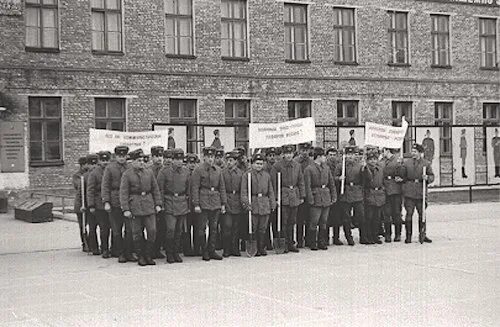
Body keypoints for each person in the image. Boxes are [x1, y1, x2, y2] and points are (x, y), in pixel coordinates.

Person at [120, 149, 163, 266]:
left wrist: (158, 204)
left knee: (152, 231)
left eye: (142, 160)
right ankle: (141, 256)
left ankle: (148, 254)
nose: (141, 162)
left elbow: (155, 189)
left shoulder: (148, 173)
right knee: (137, 233)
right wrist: (126, 209)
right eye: (138, 160)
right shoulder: (127, 174)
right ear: (132, 161)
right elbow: (124, 193)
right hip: (135, 206)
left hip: (149, 205)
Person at [191, 146, 227, 261]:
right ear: (204, 157)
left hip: (215, 201)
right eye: (208, 157)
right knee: (201, 229)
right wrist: (196, 204)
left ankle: (212, 250)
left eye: (212, 157)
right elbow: (195, 188)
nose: (211, 159)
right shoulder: (198, 170)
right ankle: (204, 250)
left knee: (214, 228)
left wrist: (223, 203)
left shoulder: (218, 170)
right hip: (203, 201)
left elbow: (221, 187)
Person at [102, 146, 136, 263]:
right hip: (114, 200)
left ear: (127, 156)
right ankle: (120, 252)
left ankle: (129, 252)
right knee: (116, 230)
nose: (122, 158)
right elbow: (105, 186)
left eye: (123, 156)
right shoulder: (110, 168)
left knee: (130, 230)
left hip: (128, 202)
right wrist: (106, 201)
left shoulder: (131, 167)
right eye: (119, 156)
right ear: (115, 156)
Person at [157, 148, 190, 264]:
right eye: (176, 159)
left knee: (179, 230)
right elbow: (159, 189)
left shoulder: (186, 172)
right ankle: (169, 253)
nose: (179, 162)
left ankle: (176, 252)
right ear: (172, 159)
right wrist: (160, 204)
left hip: (181, 202)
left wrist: (189, 204)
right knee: (170, 229)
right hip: (169, 202)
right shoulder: (164, 171)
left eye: (181, 159)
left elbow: (188, 189)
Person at [270, 144, 304, 253]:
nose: (288, 155)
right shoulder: (277, 166)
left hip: (294, 195)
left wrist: (302, 195)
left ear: (293, 154)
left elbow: (301, 181)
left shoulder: (297, 165)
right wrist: (275, 198)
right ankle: (283, 244)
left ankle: (290, 243)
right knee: (283, 222)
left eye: (290, 153)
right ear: (283, 154)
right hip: (283, 195)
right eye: (286, 153)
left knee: (292, 221)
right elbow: (273, 183)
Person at [241, 153, 276, 256]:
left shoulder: (266, 175)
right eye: (257, 163)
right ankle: (254, 248)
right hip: (254, 202)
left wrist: (272, 203)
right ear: (252, 164)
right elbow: (244, 191)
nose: (259, 166)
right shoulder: (247, 175)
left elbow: (270, 191)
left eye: (261, 164)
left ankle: (261, 247)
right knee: (254, 227)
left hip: (264, 202)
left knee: (263, 227)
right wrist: (246, 203)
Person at [304, 147, 336, 250]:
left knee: (324, 221)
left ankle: (322, 241)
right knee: (314, 221)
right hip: (316, 196)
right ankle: (312, 242)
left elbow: (331, 183)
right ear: (318, 157)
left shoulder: (326, 168)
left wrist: (333, 195)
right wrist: (310, 199)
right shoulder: (309, 169)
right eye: (323, 156)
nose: (325, 158)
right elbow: (307, 186)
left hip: (326, 196)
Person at [401, 144, 434, 244]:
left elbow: (432, 176)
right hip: (410, 192)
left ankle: (422, 234)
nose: (413, 153)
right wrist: (400, 166)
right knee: (409, 214)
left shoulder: (426, 163)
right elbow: (403, 176)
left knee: (422, 215)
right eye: (412, 151)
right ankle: (408, 236)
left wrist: (427, 178)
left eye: (415, 151)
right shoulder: (407, 163)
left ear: (420, 153)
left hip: (420, 193)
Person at [335, 146, 365, 245]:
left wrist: (365, 169)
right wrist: (339, 178)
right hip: (346, 192)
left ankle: (363, 236)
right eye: (348, 154)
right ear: (345, 155)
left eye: (352, 154)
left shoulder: (359, 165)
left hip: (357, 192)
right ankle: (349, 237)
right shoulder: (341, 166)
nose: (350, 156)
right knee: (346, 217)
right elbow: (334, 178)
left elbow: (365, 179)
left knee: (360, 215)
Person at [87, 151, 112, 257]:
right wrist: (91, 205)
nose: (105, 162)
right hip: (99, 205)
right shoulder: (94, 173)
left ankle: (111, 247)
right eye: (103, 160)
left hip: (111, 203)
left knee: (111, 227)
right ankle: (104, 249)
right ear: (99, 161)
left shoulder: (111, 170)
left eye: (107, 160)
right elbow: (90, 190)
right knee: (104, 227)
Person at [221, 151, 244, 257]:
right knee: (227, 226)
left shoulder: (240, 173)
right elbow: (222, 189)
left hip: (237, 201)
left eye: (231, 160)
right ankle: (226, 249)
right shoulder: (223, 173)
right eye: (227, 160)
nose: (228, 163)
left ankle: (235, 248)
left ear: (235, 161)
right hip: (227, 201)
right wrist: (224, 203)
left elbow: (243, 189)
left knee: (236, 227)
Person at [382, 148, 404, 242]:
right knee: (386, 214)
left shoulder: (397, 160)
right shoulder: (382, 161)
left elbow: (402, 174)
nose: (383, 153)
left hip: (395, 189)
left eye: (384, 151)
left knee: (396, 213)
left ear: (387, 151)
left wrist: (400, 165)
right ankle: (388, 234)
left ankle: (398, 234)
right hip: (385, 189)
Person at [364, 149, 385, 245]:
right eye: (370, 159)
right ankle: (368, 236)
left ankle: (375, 235)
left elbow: (383, 180)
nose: (373, 161)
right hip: (369, 193)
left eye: (375, 159)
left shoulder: (380, 169)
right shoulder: (364, 169)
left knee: (377, 217)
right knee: (369, 217)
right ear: (367, 160)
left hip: (379, 194)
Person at [294, 142, 313, 248]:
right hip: (299, 194)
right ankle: (299, 240)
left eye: (306, 150)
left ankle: (309, 239)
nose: (305, 153)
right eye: (303, 150)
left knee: (309, 218)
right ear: (299, 151)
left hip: (309, 192)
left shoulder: (311, 162)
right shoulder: (295, 162)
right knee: (299, 219)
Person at [80, 153, 99, 255]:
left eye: (95, 163)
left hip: (99, 204)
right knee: (92, 227)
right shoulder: (85, 177)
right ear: (88, 165)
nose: (94, 166)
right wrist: (82, 205)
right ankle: (93, 247)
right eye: (91, 164)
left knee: (102, 227)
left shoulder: (101, 173)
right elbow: (81, 193)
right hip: (89, 205)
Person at [149, 146, 166, 259]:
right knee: (151, 228)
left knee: (162, 228)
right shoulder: (148, 170)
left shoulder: (165, 170)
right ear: (152, 157)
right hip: (151, 203)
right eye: (156, 156)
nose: (159, 159)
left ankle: (157, 249)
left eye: (160, 156)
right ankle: (150, 250)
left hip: (164, 202)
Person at [325, 147, 343, 245]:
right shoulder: (324, 166)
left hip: (338, 192)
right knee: (326, 218)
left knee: (337, 217)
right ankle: (325, 238)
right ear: (327, 156)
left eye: (334, 155)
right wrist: (337, 179)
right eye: (330, 155)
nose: (332, 157)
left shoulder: (340, 165)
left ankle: (336, 237)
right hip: (327, 193)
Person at [184, 153, 199, 256]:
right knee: (186, 228)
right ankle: (187, 249)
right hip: (186, 204)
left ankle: (197, 248)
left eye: (193, 163)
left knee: (197, 227)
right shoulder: (184, 173)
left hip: (196, 203)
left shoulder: (198, 173)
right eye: (190, 163)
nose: (192, 165)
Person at [264, 147, 279, 250]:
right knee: (266, 221)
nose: (272, 158)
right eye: (270, 156)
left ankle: (276, 241)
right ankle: (267, 243)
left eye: (273, 155)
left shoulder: (278, 167)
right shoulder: (264, 168)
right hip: (266, 197)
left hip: (276, 197)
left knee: (276, 221)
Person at [72, 156, 88, 252]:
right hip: (80, 203)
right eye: (86, 164)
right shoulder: (77, 176)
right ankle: (84, 243)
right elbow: (79, 187)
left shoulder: (89, 174)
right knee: (82, 225)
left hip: (88, 202)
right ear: (82, 165)